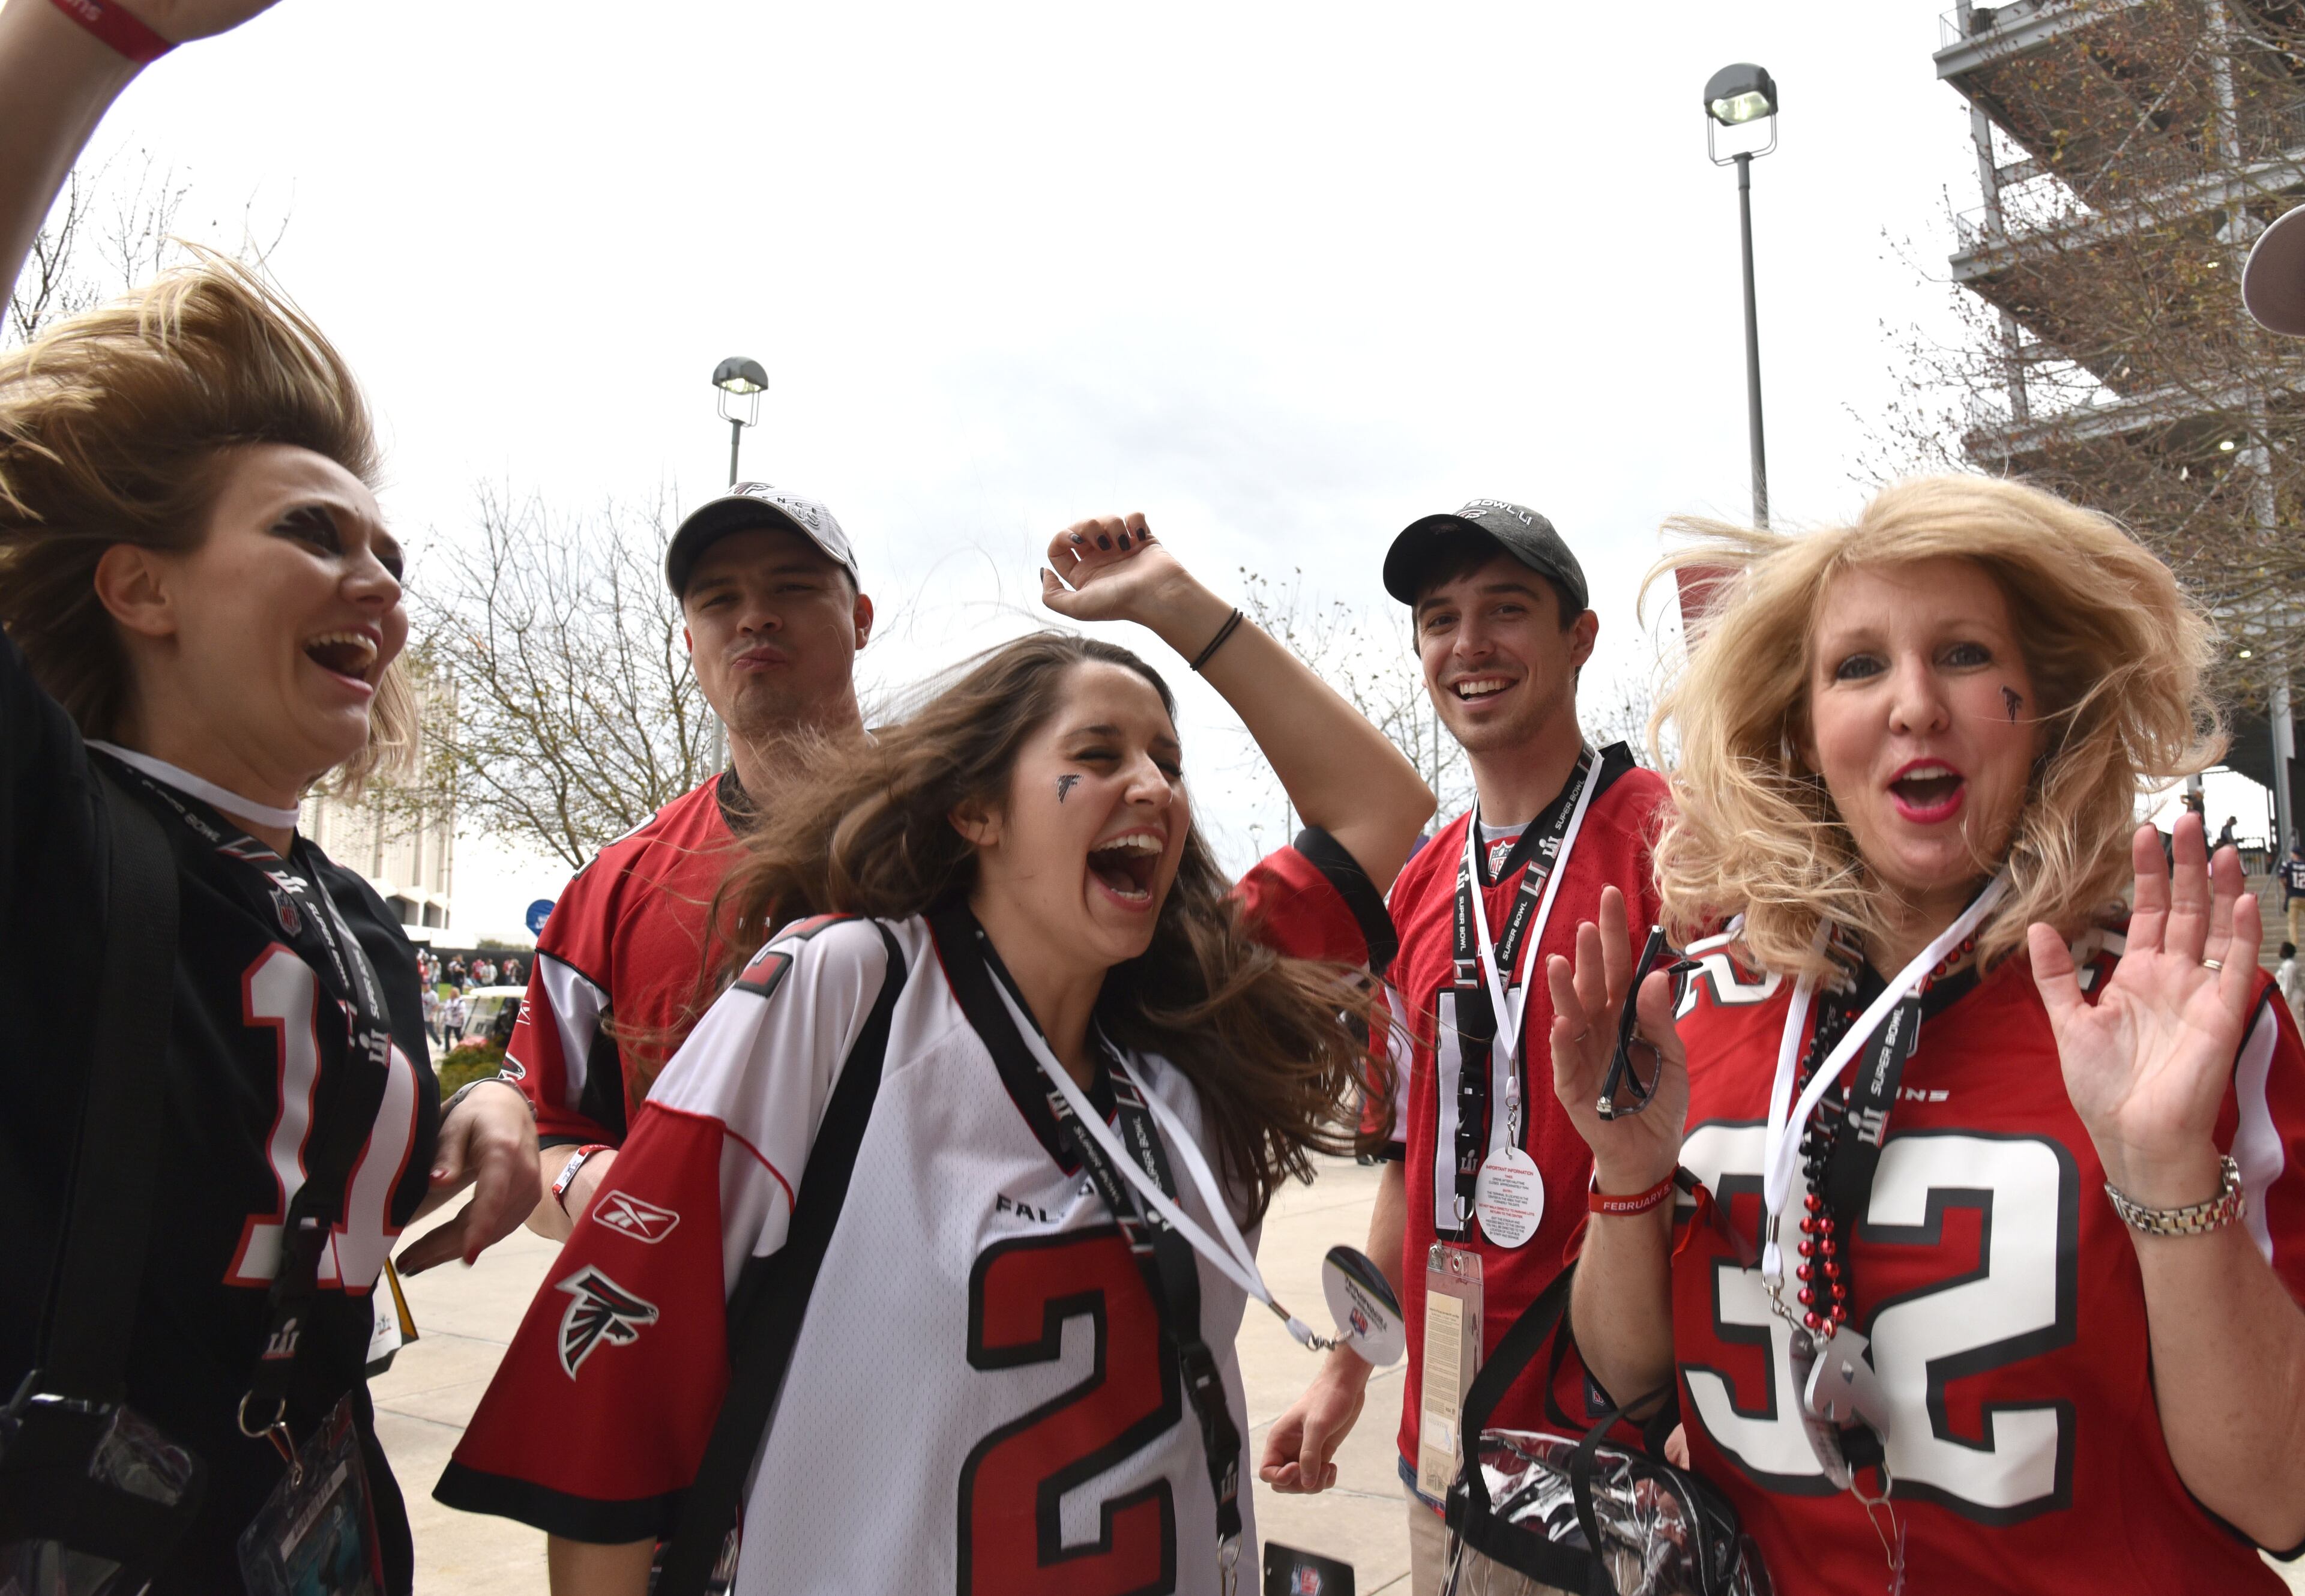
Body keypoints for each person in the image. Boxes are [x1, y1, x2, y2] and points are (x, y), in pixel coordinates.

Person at [435, 517, 1435, 1592]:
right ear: (977, 810)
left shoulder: (1188, 1017)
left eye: (1168, 761)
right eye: (1097, 754)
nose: (1152, 785)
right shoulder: (841, 983)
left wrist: (1173, 602)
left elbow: (1382, 804)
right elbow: (617, 1393)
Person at [0, 3, 537, 1587]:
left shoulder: (349, 912)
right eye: (313, 530)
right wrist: (87, 38)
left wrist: (469, 1105)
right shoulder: (47, 832)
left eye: (390, 551)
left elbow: (262, 1102)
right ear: (139, 589)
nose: (376, 579)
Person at [1547, 477, 2305, 1594]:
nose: (1912, 703)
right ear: (1801, 731)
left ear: (2042, 707)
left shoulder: (2178, 1013)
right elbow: (1627, 1383)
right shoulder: (1690, 1011)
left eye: (1960, 653)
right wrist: (1624, 1172)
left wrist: (2167, 1173)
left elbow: (2279, 1493)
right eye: (1858, 665)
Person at [1255, 498, 1669, 1592]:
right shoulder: (1421, 879)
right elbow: (1407, 1158)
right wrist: (1350, 1365)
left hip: (1610, 1448)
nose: (1468, 644)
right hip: (1439, 1439)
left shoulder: (1672, 840)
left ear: (1580, 637)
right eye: (1440, 618)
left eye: (1506, 610)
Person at [504, 481, 875, 1241]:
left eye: (793, 587)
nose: (754, 616)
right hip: (698, 1348)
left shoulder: (978, 835)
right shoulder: (614, 888)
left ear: (861, 619)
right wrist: (596, 1184)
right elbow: (537, 1142)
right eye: (717, 599)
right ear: (688, 642)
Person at [2283, 843, 2305, 951]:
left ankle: (2294, 944)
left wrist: (2286, 887)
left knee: (2293, 922)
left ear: (2293, 854)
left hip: (2294, 896)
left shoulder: (2288, 864)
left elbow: (2282, 877)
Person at [2280, 941, 2303, 1025]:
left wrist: (2285, 997)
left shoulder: (2289, 965)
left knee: (2295, 1022)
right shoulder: (2289, 964)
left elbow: (2288, 983)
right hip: (2293, 994)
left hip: (2292, 996)